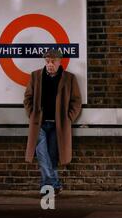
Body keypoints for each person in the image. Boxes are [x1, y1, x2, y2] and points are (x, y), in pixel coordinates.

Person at [23, 49, 82, 195]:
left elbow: (76, 101)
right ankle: (53, 183)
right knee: (42, 153)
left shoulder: (69, 78)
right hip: (39, 124)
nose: (50, 64)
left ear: (59, 62)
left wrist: (69, 118)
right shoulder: (36, 76)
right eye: (47, 61)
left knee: (52, 155)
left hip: (58, 125)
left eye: (53, 61)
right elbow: (27, 98)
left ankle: (48, 186)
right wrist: (32, 114)